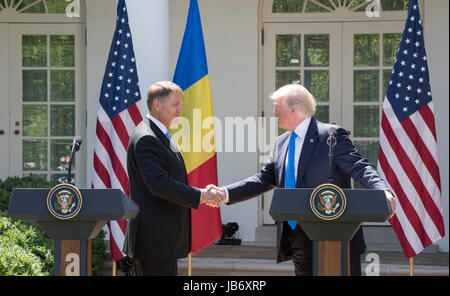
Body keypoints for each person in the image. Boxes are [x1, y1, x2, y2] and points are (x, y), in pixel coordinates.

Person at [206, 84, 396, 276]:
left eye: (277, 106)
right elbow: (264, 179)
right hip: (296, 236)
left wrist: (382, 190)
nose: (273, 112)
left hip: (334, 234)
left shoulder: (330, 136)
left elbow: (360, 167)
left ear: (293, 109)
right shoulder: (282, 142)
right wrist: (225, 193)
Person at [123, 81, 224, 276]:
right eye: (175, 104)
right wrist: (202, 195)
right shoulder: (147, 137)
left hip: (163, 241)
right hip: (154, 240)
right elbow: (159, 184)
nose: (180, 109)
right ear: (157, 105)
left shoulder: (158, 134)